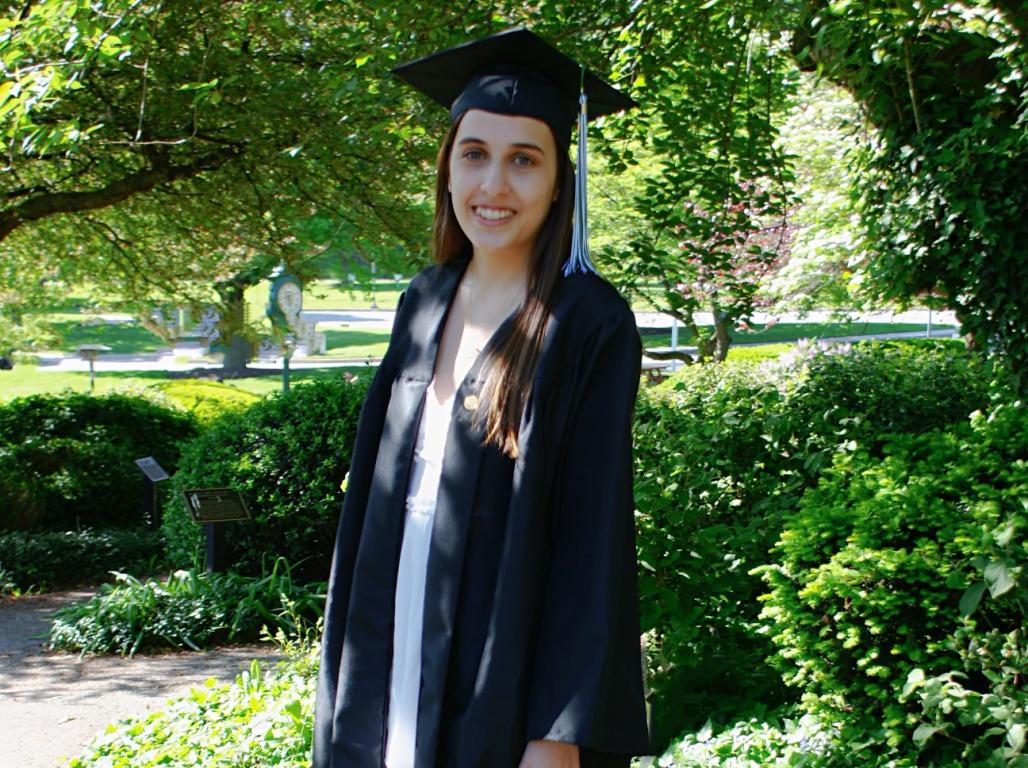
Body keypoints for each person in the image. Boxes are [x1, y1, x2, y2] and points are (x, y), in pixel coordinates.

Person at [313, 27, 650, 768]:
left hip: (502, 671)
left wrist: (555, 736)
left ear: (561, 178)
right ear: (447, 168)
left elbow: (591, 542)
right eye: (475, 155)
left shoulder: (587, 323)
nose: (493, 186)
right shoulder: (424, 301)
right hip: (389, 639)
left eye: (523, 161)